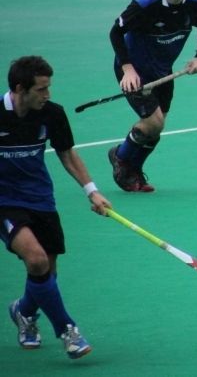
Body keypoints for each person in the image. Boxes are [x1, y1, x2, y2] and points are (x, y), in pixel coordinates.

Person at [1, 56, 111, 359]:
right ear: (20, 89)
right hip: (5, 202)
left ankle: (23, 312)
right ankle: (67, 330)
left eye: (49, 88)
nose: (47, 95)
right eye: (41, 89)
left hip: (41, 199)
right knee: (36, 260)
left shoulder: (52, 114)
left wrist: (93, 192)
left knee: (47, 272)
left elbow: (67, 154)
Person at [107, 0, 197, 192]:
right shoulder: (145, 6)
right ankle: (122, 160)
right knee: (153, 122)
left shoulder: (193, 3)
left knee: (157, 125)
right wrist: (127, 69)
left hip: (162, 71)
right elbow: (116, 32)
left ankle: (132, 170)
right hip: (134, 71)